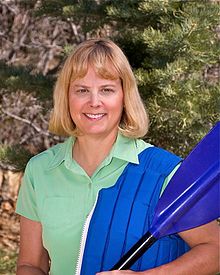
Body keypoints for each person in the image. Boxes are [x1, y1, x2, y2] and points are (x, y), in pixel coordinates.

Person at [16, 38, 219, 275]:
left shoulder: (164, 172)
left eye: (107, 90)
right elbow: (30, 264)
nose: (94, 102)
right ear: (66, 97)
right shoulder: (40, 170)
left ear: (124, 97)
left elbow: (215, 250)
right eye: (82, 90)